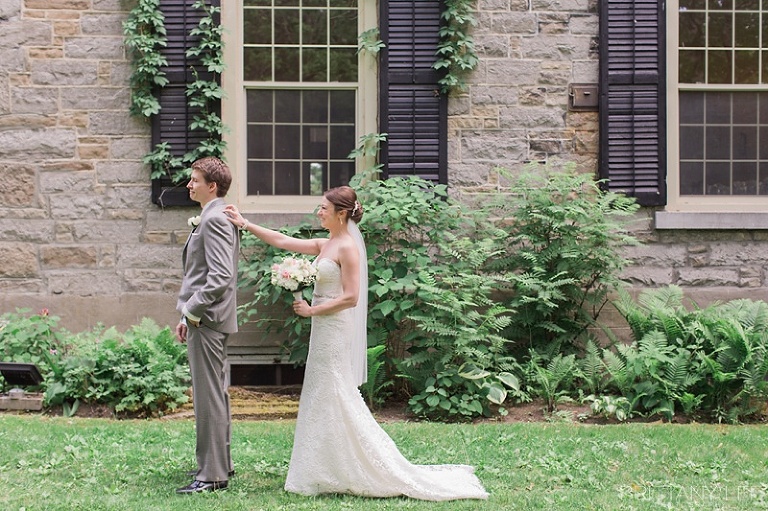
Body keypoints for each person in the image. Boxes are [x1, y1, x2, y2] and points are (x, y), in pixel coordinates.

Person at [224, 186, 489, 501]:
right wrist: (245, 223)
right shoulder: (327, 243)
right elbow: (283, 240)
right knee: (322, 392)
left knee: (335, 389)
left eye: (324, 208)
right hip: (323, 327)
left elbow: (350, 297)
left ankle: (364, 464)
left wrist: (312, 310)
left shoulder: (347, 247)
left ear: (342, 212)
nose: (319, 212)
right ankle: (325, 466)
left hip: (334, 327)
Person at [174, 157, 239, 494]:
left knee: (208, 397)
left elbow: (220, 278)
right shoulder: (216, 214)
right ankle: (220, 464)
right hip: (207, 318)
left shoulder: (213, 219)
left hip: (208, 320)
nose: (189, 185)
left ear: (212, 185)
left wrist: (192, 312)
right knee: (215, 394)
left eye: (195, 180)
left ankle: (211, 475)